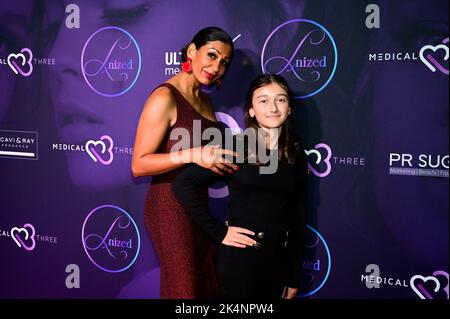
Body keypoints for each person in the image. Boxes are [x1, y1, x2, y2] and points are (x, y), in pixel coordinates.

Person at [131, 26, 245, 299]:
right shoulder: (164, 97)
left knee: (205, 286)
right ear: (192, 51)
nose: (216, 67)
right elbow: (139, 164)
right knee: (185, 291)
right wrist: (193, 154)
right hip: (169, 206)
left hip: (198, 206)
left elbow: (206, 162)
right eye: (212, 55)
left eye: (224, 63)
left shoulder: (204, 100)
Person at [172, 74, 308, 299]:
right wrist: (219, 232)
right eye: (263, 100)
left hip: (276, 263)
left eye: (281, 100)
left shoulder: (295, 151)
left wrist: (293, 275)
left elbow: (299, 215)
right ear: (252, 110)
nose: (273, 107)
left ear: (290, 108)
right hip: (240, 262)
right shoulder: (237, 146)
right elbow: (183, 184)